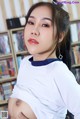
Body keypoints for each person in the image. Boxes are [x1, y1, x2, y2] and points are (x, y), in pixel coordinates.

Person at [8, 1, 80, 119]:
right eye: (31, 22)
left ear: (60, 36)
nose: (34, 30)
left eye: (45, 25)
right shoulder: (25, 63)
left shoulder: (59, 72)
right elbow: (16, 98)